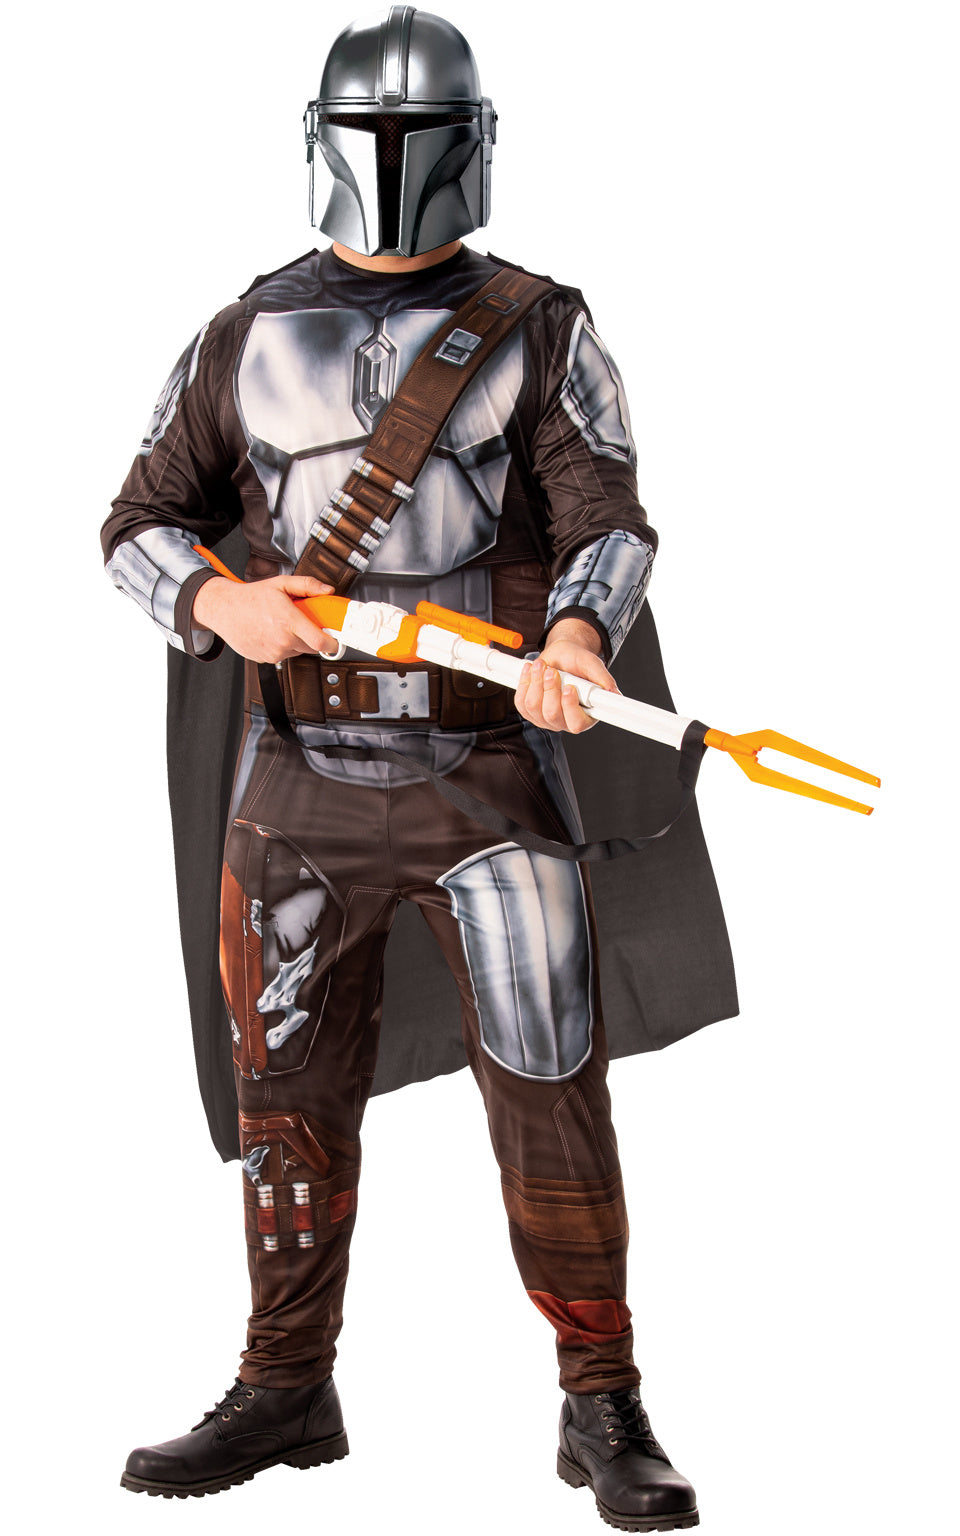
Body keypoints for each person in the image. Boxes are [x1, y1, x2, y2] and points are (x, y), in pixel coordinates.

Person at [102, 8, 734, 1528]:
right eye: (372, 137)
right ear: (324, 145)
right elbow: (135, 525)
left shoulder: (542, 326)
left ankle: (601, 1401)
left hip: (484, 775)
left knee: (552, 1091)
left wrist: (577, 634)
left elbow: (606, 519)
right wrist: (218, 604)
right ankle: (284, 1386)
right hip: (296, 778)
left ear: (474, 145)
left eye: (420, 137)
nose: (394, 163)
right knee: (285, 1100)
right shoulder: (241, 332)